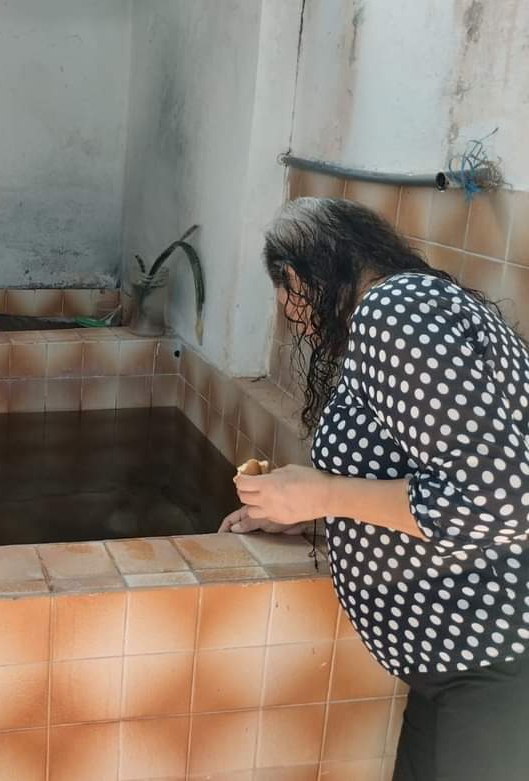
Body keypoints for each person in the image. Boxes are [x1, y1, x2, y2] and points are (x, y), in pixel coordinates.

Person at [221, 196, 529, 780]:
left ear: (300, 273)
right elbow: (429, 482)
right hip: (459, 659)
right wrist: (308, 513)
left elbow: (502, 498)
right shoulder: (411, 306)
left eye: (284, 292)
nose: (290, 313)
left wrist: (323, 496)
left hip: (495, 661)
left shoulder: (394, 310)